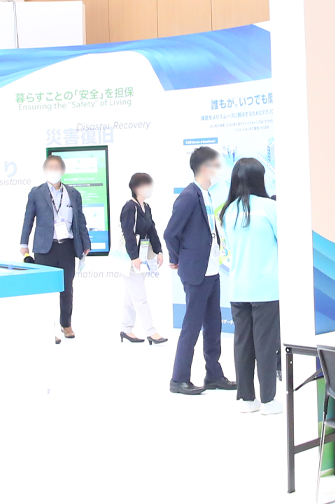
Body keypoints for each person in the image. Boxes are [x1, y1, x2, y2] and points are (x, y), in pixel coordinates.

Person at [163, 146, 234, 396]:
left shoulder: (206, 194)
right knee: (191, 327)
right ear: (205, 167)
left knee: (213, 325)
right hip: (196, 271)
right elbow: (170, 233)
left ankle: (213, 374)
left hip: (211, 269)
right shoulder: (189, 196)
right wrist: (176, 258)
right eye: (216, 164)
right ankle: (179, 378)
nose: (219, 169)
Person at [217, 157, 280, 414]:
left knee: (242, 345)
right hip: (267, 289)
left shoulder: (227, 211)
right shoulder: (270, 208)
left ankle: (247, 400)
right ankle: (268, 401)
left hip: (238, 288)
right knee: (266, 345)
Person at [19, 155, 90, 341]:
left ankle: (66, 324)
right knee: (46, 289)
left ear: (63, 170)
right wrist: (24, 243)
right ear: (45, 170)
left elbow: (80, 220)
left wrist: (86, 244)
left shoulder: (73, 193)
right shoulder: (36, 193)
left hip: (67, 247)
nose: (54, 170)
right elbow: (28, 219)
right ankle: (49, 328)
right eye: (50, 167)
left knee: (67, 288)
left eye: (57, 167)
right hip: (45, 248)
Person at [118, 172, 168, 346]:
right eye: (146, 185)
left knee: (131, 295)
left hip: (143, 257)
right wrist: (134, 257)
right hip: (130, 259)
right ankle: (151, 332)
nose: (149, 188)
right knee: (140, 297)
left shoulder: (146, 207)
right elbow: (128, 233)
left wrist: (159, 250)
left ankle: (126, 329)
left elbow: (152, 230)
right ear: (135, 188)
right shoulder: (129, 207)